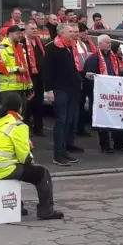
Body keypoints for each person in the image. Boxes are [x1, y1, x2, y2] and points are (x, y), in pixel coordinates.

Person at [0, 93, 64, 220]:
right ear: (20, 108)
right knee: (42, 173)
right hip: (2, 169)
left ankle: (16, 205)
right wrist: (29, 149)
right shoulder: (18, 125)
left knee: (16, 167)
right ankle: (46, 210)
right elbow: (25, 159)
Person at [42, 23, 83, 166]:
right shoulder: (52, 48)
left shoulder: (69, 47)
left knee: (69, 121)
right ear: (61, 33)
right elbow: (47, 71)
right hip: (59, 90)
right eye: (70, 31)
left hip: (71, 89)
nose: (73, 33)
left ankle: (65, 150)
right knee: (61, 121)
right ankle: (58, 155)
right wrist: (49, 90)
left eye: (73, 31)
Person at [83, 34, 123, 152]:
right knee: (103, 120)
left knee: (118, 118)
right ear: (99, 44)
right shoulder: (93, 59)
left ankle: (119, 143)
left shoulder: (113, 57)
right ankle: (105, 145)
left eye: (110, 42)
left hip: (114, 93)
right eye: (107, 43)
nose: (110, 45)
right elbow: (88, 76)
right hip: (100, 94)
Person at [0, 25, 33, 111]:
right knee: (10, 116)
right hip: (9, 88)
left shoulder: (21, 48)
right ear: (10, 34)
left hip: (22, 87)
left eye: (21, 33)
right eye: (18, 33)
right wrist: (16, 69)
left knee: (21, 116)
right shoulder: (3, 48)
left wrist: (29, 85)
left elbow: (25, 67)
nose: (20, 35)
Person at [23, 22, 46, 137]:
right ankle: (25, 127)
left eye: (36, 28)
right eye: (32, 29)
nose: (35, 30)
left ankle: (39, 128)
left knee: (39, 102)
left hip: (40, 75)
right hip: (29, 75)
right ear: (26, 30)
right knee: (29, 103)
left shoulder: (39, 42)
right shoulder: (22, 42)